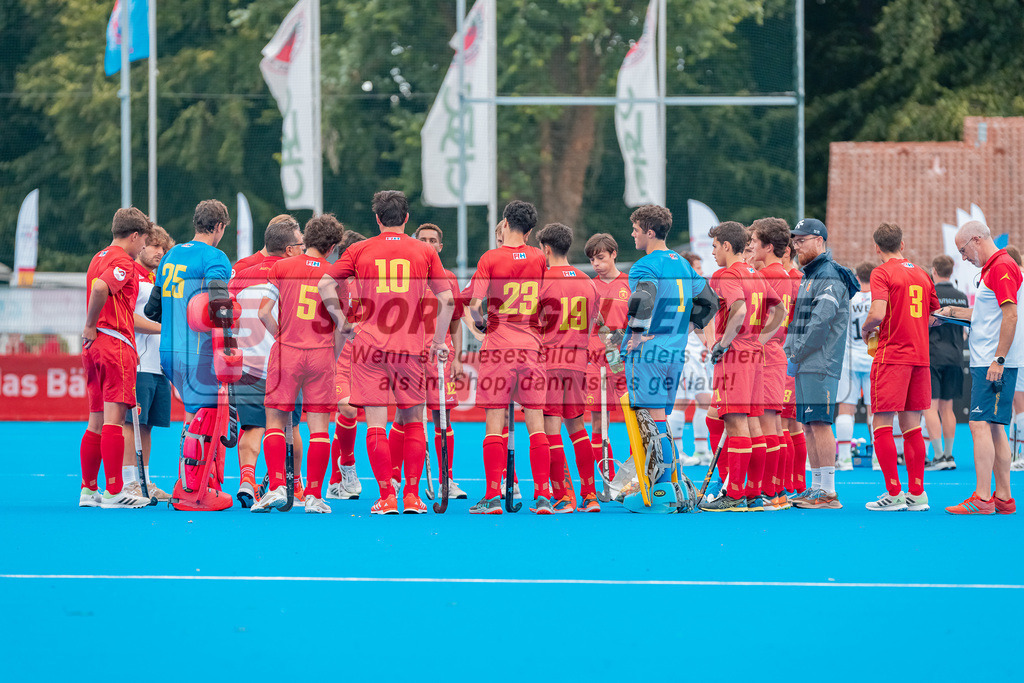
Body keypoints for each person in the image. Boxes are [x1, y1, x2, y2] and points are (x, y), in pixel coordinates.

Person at [319, 191, 454, 515]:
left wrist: (342, 322)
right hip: (410, 347)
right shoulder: (424, 250)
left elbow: (324, 284)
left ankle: (386, 496)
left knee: (376, 424)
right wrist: (438, 341)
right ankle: (412, 496)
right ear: (406, 218)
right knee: (414, 421)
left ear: (377, 219)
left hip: (370, 347)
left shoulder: (359, 249)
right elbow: (447, 299)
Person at [621, 204, 713, 513]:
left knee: (650, 422)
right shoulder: (682, 264)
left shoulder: (645, 265)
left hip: (648, 352)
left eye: (636, 229)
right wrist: (688, 327)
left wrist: (636, 335)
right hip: (675, 352)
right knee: (660, 420)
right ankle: (671, 484)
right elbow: (710, 301)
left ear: (649, 232)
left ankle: (662, 491)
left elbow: (643, 298)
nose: (633, 234)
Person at [252, 214, 344, 513]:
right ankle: (314, 496)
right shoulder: (336, 275)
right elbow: (342, 326)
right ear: (332, 247)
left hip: (286, 353)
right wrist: (332, 356)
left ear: (306, 239)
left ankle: (277, 486)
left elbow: (263, 312)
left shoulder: (281, 267)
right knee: (319, 428)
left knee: (275, 422)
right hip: (321, 355)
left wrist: (282, 336)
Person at [464, 201, 552, 514]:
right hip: (530, 347)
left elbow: (474, 305)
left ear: (504, 223)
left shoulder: (490, 258)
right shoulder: (539, 257)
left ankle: (492, 497)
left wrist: (480, 325)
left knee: (494, 423)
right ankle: (543, 496)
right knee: (536, 424)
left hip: (499, 348)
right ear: (530, 231)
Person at [148, 199, 235, 511]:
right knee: (205, 419)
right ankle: (193, 490)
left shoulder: (171, 254)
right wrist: (229, 346)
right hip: (197, 351)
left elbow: (152, 309)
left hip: (168, 351)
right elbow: (219, 305)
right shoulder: (215, 257)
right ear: (219, 226)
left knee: (193, 416)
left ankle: (192, 481)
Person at [699, 221, 781, 512]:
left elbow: (740, 309)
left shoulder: (726, 274)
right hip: (754, 356)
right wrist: (759, 340)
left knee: (735, 424)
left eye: (714, 246)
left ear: (726, 245)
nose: (712, 252)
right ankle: (753, 494)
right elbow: (779, 310)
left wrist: (723, 343)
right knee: (752, 424)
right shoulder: (754, 273)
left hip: (734, 357)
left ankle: (734, 494)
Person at [228, 216, 307, 507]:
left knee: (252, 427)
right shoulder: (295, 274)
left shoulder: (240, 271)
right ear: (289, 249)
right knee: (290, 427)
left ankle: (247, 480)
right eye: (301, 245)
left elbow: (227, 318)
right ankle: (294, 485)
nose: (304, 249)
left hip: (247, 364)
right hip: (284, 362)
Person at [861, 223, 940, 511]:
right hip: (919, 357)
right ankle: (917, 493)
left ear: (877, 248)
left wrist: (865, 329)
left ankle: (893, 493)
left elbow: (877, 313)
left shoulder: (881, 272)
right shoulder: (922, 273)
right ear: (902, 245)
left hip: (892, 356)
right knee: (912, 426)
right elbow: (936, 316)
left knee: (881, 423)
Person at [943, 221, 1020, 514]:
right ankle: (1003, 497)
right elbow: (988, 314)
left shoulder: (1001, 266)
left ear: (976, 240)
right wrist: (951, 312)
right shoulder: (995, 267)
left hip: (992, 362)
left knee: (979, 424)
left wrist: (999, 359)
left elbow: (1010, 315)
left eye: (963, 251)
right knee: (996, 427)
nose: (963, 258)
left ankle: (983, 497)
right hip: (991, 360)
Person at [79, 207, 154, 508]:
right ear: (134, 235)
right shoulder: (123, 261)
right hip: (114, 344)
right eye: (144, 240)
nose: (144, 247)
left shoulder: (98, 257)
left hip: (94, 345)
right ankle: (113, 491)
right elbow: (101, 288)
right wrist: (89, 323)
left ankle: (89, 490)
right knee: (115, 419)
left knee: (95, 419)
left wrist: (90, 327)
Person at [784, 218, 859, 510]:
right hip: (807, 360)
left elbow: (820, 322)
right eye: (795, 241)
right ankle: (817, 487)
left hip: (819, 361)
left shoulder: (828, 274)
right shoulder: (812, 274)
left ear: (819, 241)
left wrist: (797, 351)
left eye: (802, 240)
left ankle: (828, 491)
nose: (797, 246)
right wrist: (793, 350)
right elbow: (801, 319)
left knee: (819, 423)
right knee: (808, 425)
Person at [535, 222, 599, 512]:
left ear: (546, 249)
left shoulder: (542, 281)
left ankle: (563, 495)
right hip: (578, 362)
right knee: (577, 427)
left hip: (549, 361)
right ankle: (590, 495)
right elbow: (593, 322)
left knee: (550, 428)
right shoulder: (588, 282)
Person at [414, 223, 468, 500]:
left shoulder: (449, 278)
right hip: (411, 356)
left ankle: (447, 478)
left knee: (442, 417)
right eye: (422, 239)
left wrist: (458, 357)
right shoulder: (407, 277)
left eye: (432, 240)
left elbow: (456, 321)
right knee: (408, 417)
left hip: (440, 357)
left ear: (440, 247)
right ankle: (405, 482)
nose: (427, 244)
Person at [121, 224, 173, 501]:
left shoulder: (158, 279)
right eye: (154, 246)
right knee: (131, 424)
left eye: (163, 248)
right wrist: (165, 329)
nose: (159, 252)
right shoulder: (130, 274)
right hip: (138, 362)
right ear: (141, 244)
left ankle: (144, 481)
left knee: (147, 425)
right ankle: (128, 482)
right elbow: (126, 317)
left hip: (158, 363)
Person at [749, 218, 796, 509]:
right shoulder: (784, 273)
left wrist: (755, 342)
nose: (751, 246)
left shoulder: (766, 275)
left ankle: (768, 491)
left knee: (767, 425)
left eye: (755, 241)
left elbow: (764, 316)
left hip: (765, 354)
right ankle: (777, 491)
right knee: (776, 426)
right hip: (776, 352)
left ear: (768, 246)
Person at [583, 233, 631, 486]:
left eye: (601, 258)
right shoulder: (589, 287)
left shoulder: (630, 284)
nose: (596, 264)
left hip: (622, 359)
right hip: (595, 361)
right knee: (598, 421)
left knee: (635, 417)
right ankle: (607, 478)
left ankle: (635, 476)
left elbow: (639, 321)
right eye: (592, 260)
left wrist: (624, 333)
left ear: (614, 254)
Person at [326, 229, 368, 501]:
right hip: (341, 356)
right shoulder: (336, 284)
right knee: (348, 409)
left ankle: (335, 481)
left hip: (369, 358)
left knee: (357, 416)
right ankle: (348, 464)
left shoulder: (374, 283)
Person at [667, 252, 713, 467]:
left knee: (705, 400)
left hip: (698, 355)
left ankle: (702, 449)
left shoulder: (698, 291)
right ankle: (677, 452)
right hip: (685, 354)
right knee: (682, 402)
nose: (701, 272)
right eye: (697, 267)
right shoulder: (682, 291)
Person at [923, 254, 968, 471]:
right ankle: (949, 456)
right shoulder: (962, 297)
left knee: (930, 407)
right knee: (947, 408)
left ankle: (939, 456)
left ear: (934, 271)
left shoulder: (929, 294)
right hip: (956, 356)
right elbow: (965, 329)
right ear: (951, 272)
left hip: (933, 356)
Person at [835, 262, 875, 471]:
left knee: (846, 407)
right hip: (873, 358)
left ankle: (844, 459)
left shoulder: (848, 298)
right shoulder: (879, 300)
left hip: (849, 360)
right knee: (875, 409)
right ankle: (878, 459)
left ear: (857, 277)